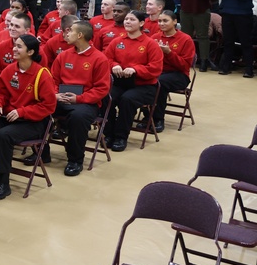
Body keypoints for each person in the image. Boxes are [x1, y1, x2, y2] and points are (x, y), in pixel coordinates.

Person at [0, 34, 57, 200]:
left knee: (4, 135)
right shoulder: (9, 70)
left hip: (33, 121)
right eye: (15, 45)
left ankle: (3, 181)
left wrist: (22, 112)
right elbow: (1, 93)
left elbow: (48, 106)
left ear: (30, 52)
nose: (14, 49)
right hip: (9, 116)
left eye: (19, 46)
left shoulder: (42, 75)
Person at [50, 21, 112, 176]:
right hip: (61, 98)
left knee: (78, 117)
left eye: (70, 31)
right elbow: (52, 80)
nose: (66, 33)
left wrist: (78, 99)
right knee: (40, 106)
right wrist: (55, 94)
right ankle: (41, 152)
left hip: (85, 102)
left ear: (80, 35)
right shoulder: (63, 55)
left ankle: (75, 160)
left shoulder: (99, 59)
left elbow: (102, 89)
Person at [103, 11, 163, 151]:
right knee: (106, 96)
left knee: (127, 100)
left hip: (144, 85)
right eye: (126, 19)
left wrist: (136, 69)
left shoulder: (150, 44)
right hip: (121, 82)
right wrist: (114, 65)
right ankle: (108, 133)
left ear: (142, 23)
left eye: (132, 19)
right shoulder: (117, 41)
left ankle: (120, 136)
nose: (127, 22)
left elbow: (156, 68)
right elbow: (106, 59)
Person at [148, 10, 196, 133]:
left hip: (179, 75)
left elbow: (184, 65)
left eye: (165, 20)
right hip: (159, 72)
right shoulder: (155, 37)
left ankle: (158, 119)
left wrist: (169, 53)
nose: (161, 24)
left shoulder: (185, 39)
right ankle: (147, 115)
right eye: (159, 21)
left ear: (175, 21)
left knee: (159, 83)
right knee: (145, 80)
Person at [213, 0, 256, 78]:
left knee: (245, 42)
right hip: (227, 15)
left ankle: (248, 69)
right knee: (228, 42)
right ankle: (225, 67)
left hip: (243, 16)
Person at [175, 0, 214, 71]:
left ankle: (204, 60)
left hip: (201, 11)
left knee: (202, 36)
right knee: (186, 36)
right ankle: (186, 59)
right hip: (186, 11)